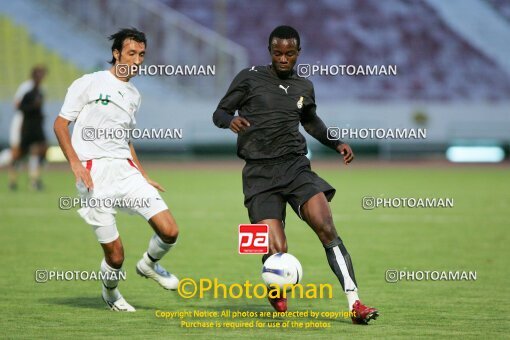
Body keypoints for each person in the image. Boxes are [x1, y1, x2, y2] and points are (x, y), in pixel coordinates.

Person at [212, 25, 378, 324]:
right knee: (277, 249)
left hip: (295, 167)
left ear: (298, 53)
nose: (283, 59)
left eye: (289, 53)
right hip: (259, 174)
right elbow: (219, 113)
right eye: (277, 53)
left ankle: (355, 303)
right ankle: (276, 288)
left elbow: (311, 121)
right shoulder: (249, 77)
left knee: (326, 227)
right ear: (270, 52)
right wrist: (231, 120)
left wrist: (336, 142)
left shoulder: (304, 87)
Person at [54, 28, 180, 312]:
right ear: (116, 54)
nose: (137, 60)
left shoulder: (134, 95)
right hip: (94, 174)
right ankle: (110, 294)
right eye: (131, 53)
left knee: (170, 230)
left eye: (142, 55)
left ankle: (149, 265)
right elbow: (60, 125)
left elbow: (125, 139)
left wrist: (142, 173)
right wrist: (75, 164)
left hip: (126, 171)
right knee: (116, 256)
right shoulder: (88, 82)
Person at [8, 65, 48, 191]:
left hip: (35, 124)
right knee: (18, 152)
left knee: (37, 150)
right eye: (40, 74)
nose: (42, 77)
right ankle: (13, 180)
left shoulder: (41, 89)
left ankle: (33, 180)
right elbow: (17, 104)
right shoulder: (26, 87)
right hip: (23, 122)